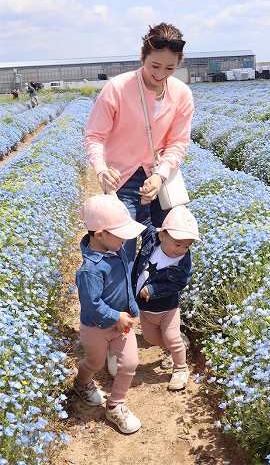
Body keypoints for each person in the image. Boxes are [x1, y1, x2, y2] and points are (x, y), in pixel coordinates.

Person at [84, 22, 194, 263]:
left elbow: (178, 142)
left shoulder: (182, 94)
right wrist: (101, 170)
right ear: (142, 57)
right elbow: (95, 136)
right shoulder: (118, 88)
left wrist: (160, 175)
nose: (161, 74)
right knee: (121, 249)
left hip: (161, 179)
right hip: (122, 179)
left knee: (167, 244)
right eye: (155, 65)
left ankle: (153, 298)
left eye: (170, 67)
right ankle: (122, 299)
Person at [73, 194, 146, 434]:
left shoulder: (117, 250)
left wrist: (132, 308)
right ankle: (81, 383)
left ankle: (115, 406)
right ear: (100, 234)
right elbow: (92, 304)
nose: (126, 238)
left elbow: (125, 281)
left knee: (130, 363)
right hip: (96, 327)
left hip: (120, 322)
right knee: (94, 362)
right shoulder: (90, 271)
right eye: (121, 233)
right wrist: (117, 316)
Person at [133, 205, 200, 391]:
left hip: (168, 309)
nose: (182, 249)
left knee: (170, 337)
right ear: (162, 235)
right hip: (145, 309)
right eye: (178, 244)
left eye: (187, 246)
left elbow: (178, 283)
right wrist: (145, 203)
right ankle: (178, 346)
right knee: (151, 338)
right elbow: (144, 222)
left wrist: (153, 290)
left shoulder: (183, 261)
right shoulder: (151, 241)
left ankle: (181, 368)